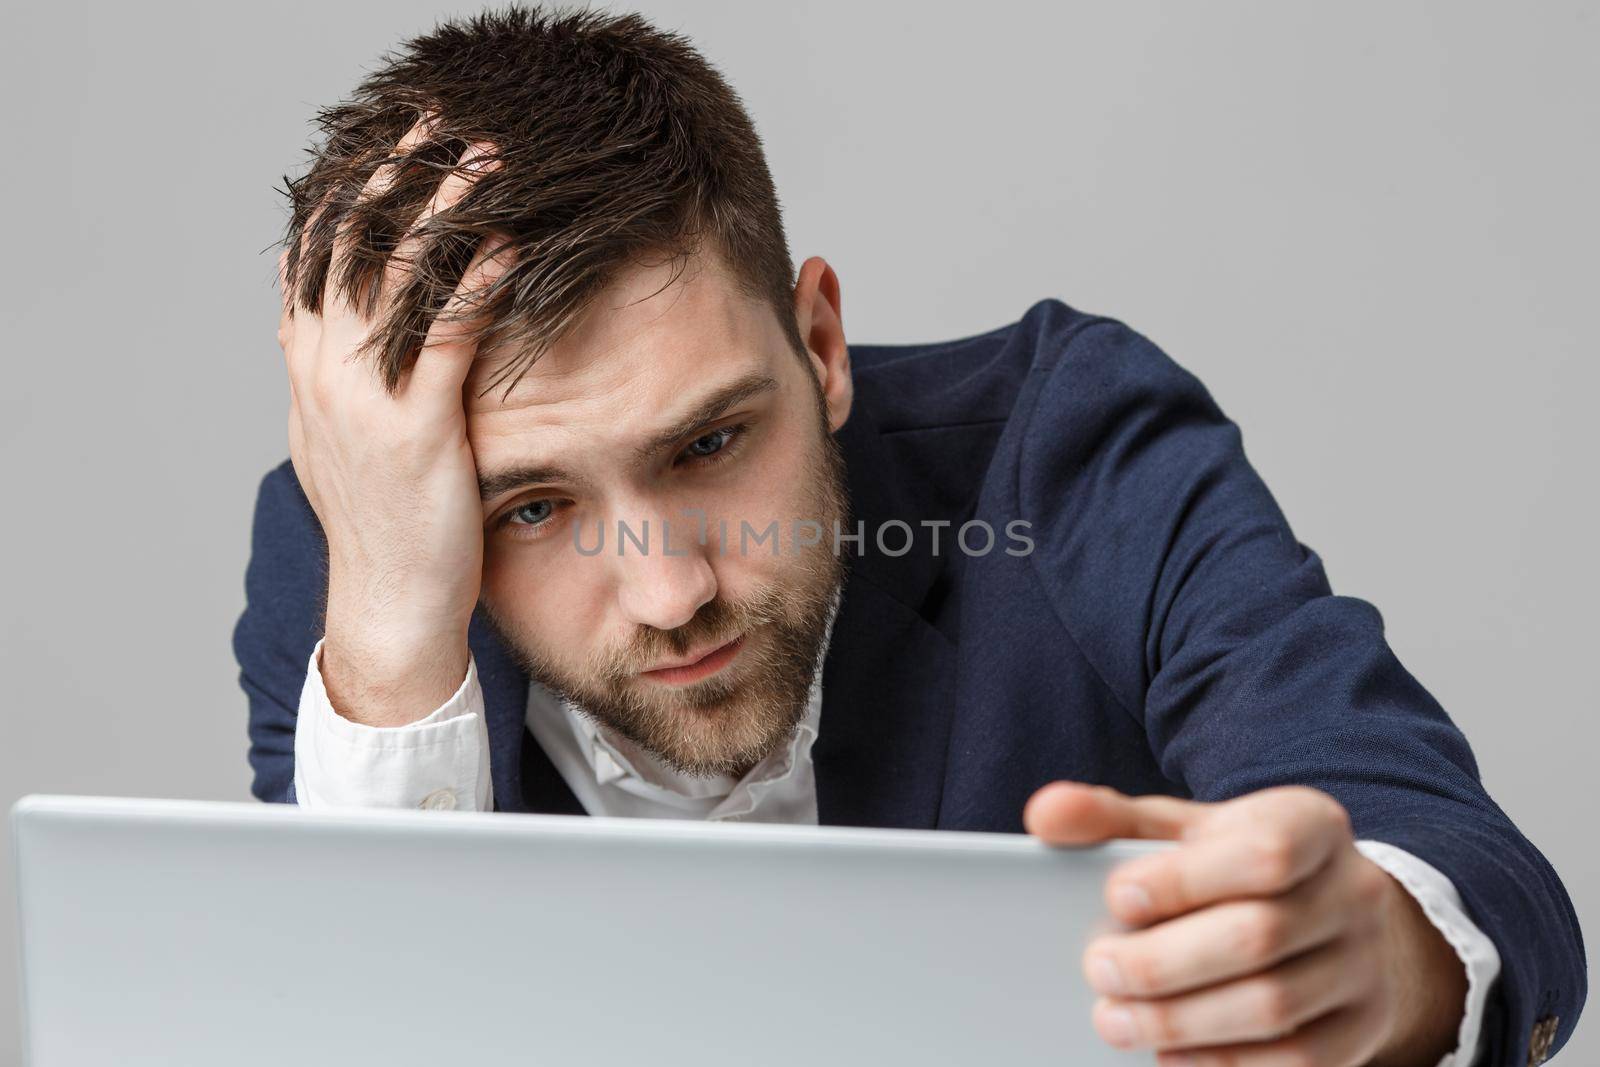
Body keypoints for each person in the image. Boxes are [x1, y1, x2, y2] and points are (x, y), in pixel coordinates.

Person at [233, 7, 1583, 1066]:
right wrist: (400, 634)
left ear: (819, 340)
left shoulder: (1063, 448)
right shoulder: (365, 560)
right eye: (531, 508)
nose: (668, 591)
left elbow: (1440, 846)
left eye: (708, 444)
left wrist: (1381, 963)